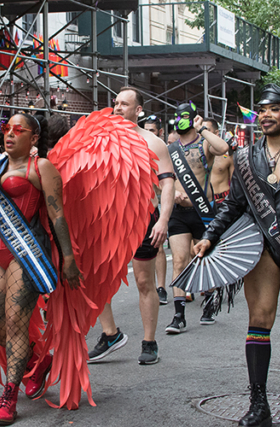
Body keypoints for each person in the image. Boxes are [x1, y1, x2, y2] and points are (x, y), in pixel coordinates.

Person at [194, 84, 280, 427]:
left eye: (274, 109)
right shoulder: (246, 156)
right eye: (262, 109)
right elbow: (236, 204)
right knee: (259, 319)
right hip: (261, 247)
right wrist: (210, 235)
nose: (265, 115)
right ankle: (259, 404)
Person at [0, 113, 82, 424]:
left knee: (16, 323)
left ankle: (9, 396)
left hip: (26, 254)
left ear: (33, 139)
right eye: (6, 129)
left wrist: (69, 260)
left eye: (17, 131)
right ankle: (37, 361)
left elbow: (57, 215)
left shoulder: (41, 168)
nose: (9, 135)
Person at [88, 86, 175, 365]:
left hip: (143, 220)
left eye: (124, 104)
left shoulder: (153, 142)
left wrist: (162, 220)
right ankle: (110, 333)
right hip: (108, 221)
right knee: (96, 279)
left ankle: (149, 342)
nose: (117, 108)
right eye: (115, 103)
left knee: (143, 281)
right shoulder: (102, 140)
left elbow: (167, 183)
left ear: (138, 110)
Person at [166, 103, 229, 333]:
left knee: (205, 261)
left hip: (203, 211)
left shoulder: (204, 144)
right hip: (178, 214)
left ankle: (210, 305)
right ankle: (179, 316)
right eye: (177, 116)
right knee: (180, 261)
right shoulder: (170, 148)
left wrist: (202, 129)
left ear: (193, 118)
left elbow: (223, 148)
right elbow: (160, 181)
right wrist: (173, 193)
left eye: (184, 116)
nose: (179, 120)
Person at [143, 114, 169, 305]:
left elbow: (167, 181)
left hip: (157, 204)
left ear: (159, 132)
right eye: (146, 129)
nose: (148, 133)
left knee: (158, 248)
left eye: (152, 130)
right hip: (139, 208)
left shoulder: (161, 148)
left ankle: (160, 287)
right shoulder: (137, 146)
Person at [208, 117, 234, 204]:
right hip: (201, 203)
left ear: (216, 133)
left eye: (206, 130)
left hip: (222, 201)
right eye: (200, 131)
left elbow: (235, 183)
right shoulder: (192, 155)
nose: (203, 134)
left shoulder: (228, 156)